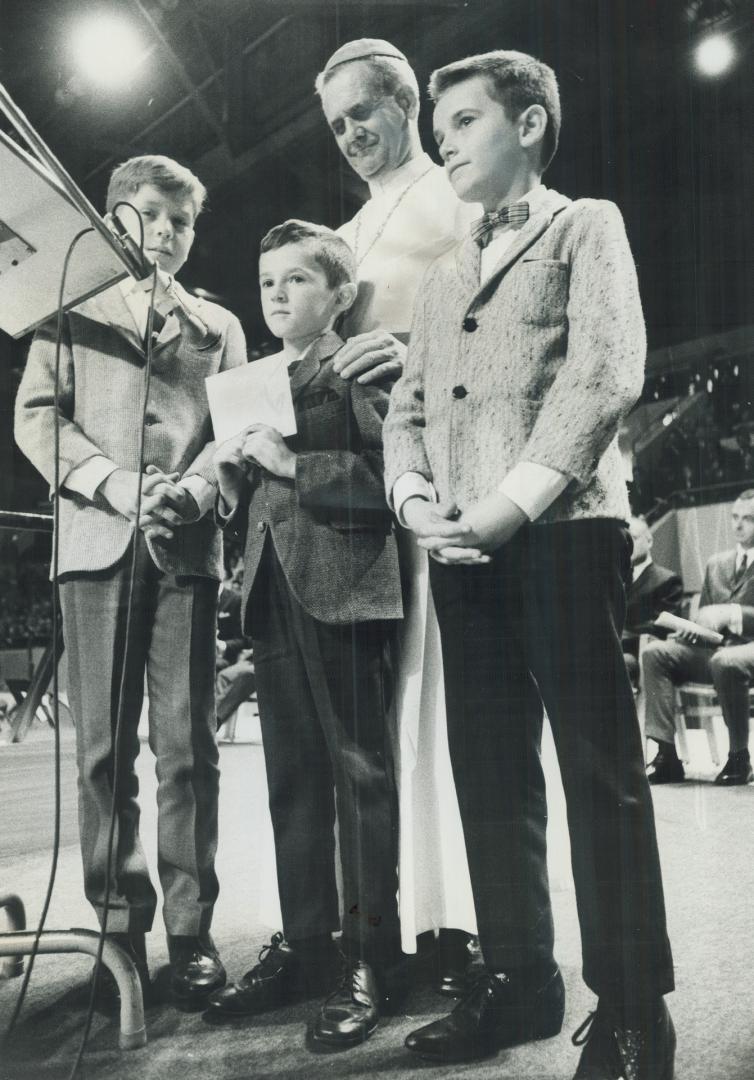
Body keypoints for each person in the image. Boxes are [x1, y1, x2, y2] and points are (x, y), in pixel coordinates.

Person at [383, 50, 675, 1079]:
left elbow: (605, 369)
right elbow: (406, 411)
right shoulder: (437, 279)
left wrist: (515, 499)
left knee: (600, 776)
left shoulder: (583, 224)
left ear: (532, 124)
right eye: (440, 123)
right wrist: (416, 498)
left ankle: (635, 1008)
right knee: (490, 775)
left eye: (462, 120)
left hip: (556, 530)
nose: (442, 140)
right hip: (461, 547)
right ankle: (520, 981)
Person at [14, 155, 245, 1010]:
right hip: (95, 546)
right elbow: (37, 417)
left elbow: (238, 432)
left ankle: (190, 934)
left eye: (185, 222)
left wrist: (192, 488)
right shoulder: (64, 312)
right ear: (116, 218)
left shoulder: (218, 324)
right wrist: (115, 484)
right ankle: (116, 932)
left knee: (189, 751)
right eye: (154, 216)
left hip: (186, 553)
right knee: (103, 754)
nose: (171, 235)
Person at [206, 221, 403, 1049]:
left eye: (296, 280)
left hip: (346, 591)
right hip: (274, 596)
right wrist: (229, 481)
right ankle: (309, 944)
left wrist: (292, 466)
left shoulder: (353, 365)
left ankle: (370, 958)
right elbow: (253, 502)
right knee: (291, 781)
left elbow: (392, 476)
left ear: (341, 296)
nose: (277, 295)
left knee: (359, 777)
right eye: (267, 282)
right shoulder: (253, 382)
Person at [316, 36, 479, 993]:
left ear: (405, 101)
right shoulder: (350, 228)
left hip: (453, 475)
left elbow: (489, 314)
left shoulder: (455, 191)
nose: (349, 137)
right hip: (381, 492)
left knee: (454, 708)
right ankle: (421, 920)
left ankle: (468, 921)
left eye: (362, 114)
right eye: (336, 125)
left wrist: (407, 345)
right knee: (404, 712)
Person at [643, 491, 754, 786]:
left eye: (748, 519)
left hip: (747, 650)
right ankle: (667, 756)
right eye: (735, 518)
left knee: (726, 660)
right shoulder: (716, 563)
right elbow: (705, 613)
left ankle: (739, 757)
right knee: (656, 653)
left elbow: (724, 614)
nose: (738, 525)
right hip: (714, 650)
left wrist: (732, 612)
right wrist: (690, 629)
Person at [623, 515, 683, 688]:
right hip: (611, 650)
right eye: (623, 539)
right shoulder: (615, 580)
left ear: (649, 541)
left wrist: (618, 635)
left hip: (640, 653)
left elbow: (661, 626)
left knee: (611, 665)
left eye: (632, 538)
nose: (627, 544)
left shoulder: (668, 580)